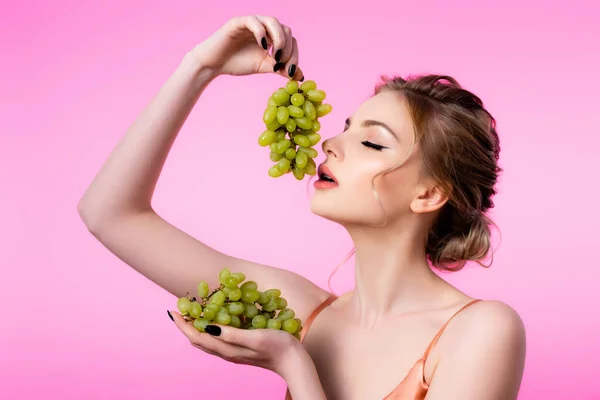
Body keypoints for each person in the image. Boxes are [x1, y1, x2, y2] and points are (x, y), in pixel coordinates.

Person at [77, 14, 526, 400]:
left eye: (371, 142)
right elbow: (110, 214)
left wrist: (295, 366)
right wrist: (199, 67)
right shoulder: (299, 309)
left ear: (428, 194)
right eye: (346, 127)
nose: (329, 143)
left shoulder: (483, 330)